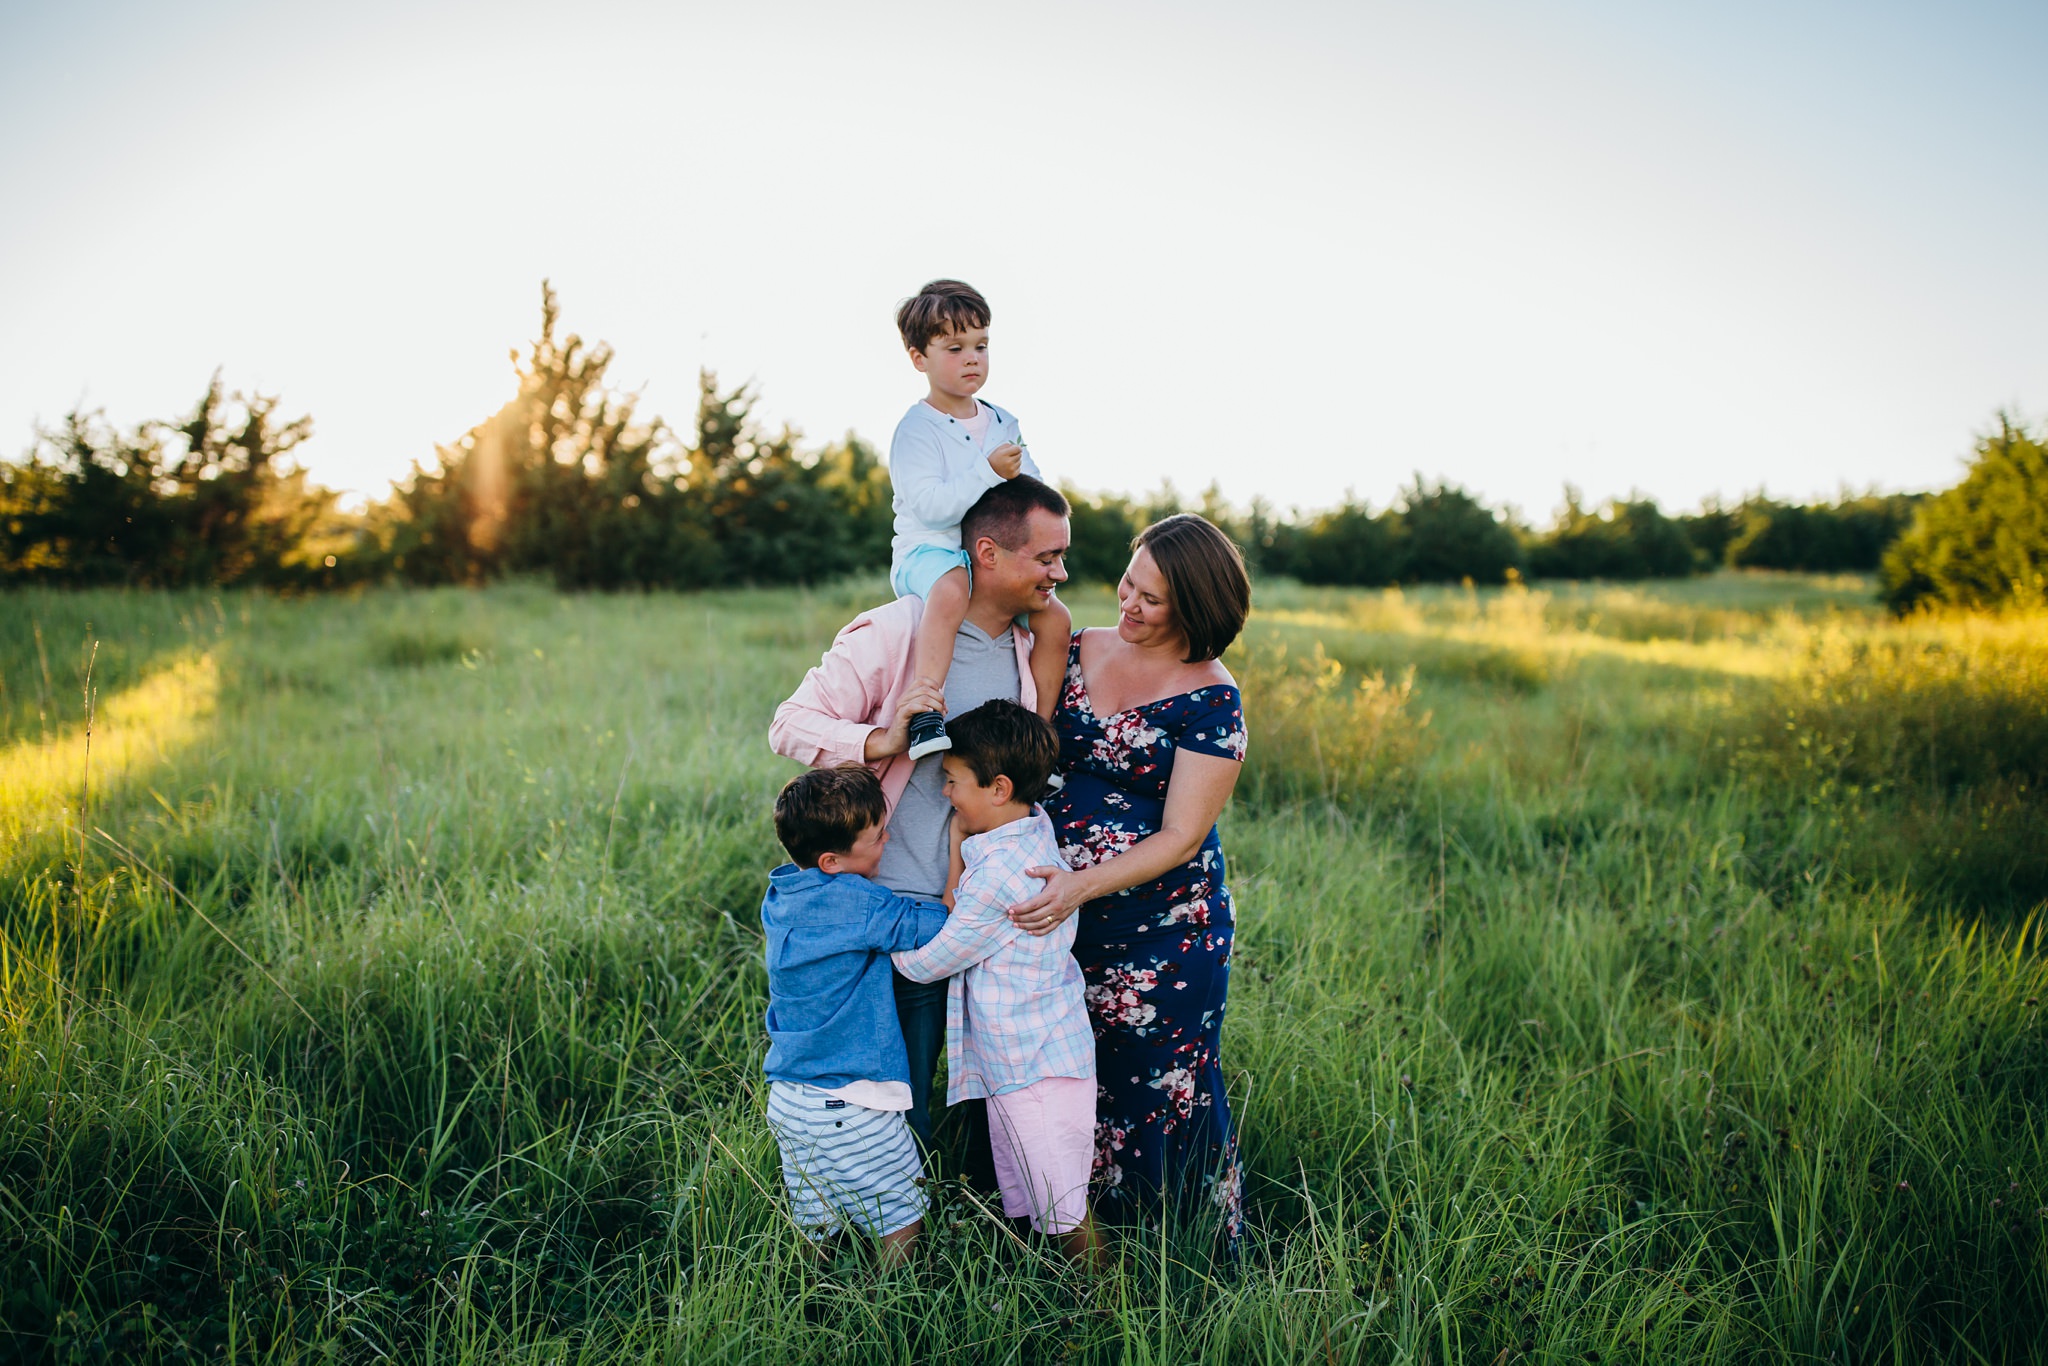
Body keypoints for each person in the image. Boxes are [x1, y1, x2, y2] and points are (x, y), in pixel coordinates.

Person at [769, 476, 1073, 1164]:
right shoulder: (898, 630)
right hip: (895, 906)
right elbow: (787, 725)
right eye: (1047, 557)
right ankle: (891, 1226)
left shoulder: (1034, 647)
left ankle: (980, 1215)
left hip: (986, 909)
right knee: (897, 1092)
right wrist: (882, 741)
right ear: (988, 553)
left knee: (989, 1087)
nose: (1061, 573)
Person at [1006, 513, 1253, 1242]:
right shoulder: (1076, 646)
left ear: (1198, 608)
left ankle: (1177, 1251)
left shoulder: (1212, 700)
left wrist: (1079, 885)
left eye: (1152, 598)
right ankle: (1060, 1237)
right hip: (1062, 922)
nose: (1128, 605)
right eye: (1128, 583)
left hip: (1164, 933)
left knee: (1154, 1086)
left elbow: (1182, 836)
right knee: (1063, 1082)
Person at [890, 700, 1105, 1266]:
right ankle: (1061, 1301)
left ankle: (1115, 1307)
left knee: (1062, 1208)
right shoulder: (1032, 828)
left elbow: (930, 961)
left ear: (999, 788)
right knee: (1039, 1200)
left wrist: (865, 946)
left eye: (953, 781)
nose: (946, 794)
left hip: (1033, 1065)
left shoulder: (1001, 878)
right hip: (1029, 1057)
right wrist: (962, 842)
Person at [759, 766, 952, 1265]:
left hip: (790, 1099)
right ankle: (896, 1310)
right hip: (853, 1101)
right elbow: (927, 926)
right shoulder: (858, 900)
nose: (888, 839)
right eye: (878, 836)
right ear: (831, 860)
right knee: (901, 1208)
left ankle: (811, 1299)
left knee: (815, 1214)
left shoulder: (781, 893)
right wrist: (953, 880)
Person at [888, 280, 1073, 759]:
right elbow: (929, 507)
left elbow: (1027, 494)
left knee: (1055, 619)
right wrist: (986, 472)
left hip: (991, 559)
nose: (972, 358)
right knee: (950, 589)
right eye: (954, 347)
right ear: (918, 358)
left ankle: (1041, 737)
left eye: (981, 345)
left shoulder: (1001, 421)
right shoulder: (916, 429)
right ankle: (927, 709)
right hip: (931, 553)